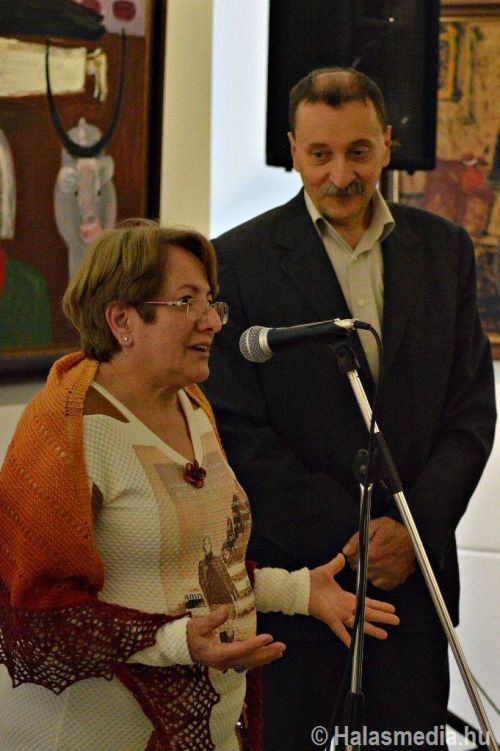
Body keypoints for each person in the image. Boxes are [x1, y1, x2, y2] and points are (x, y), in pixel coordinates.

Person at [0, 219, 399, 751]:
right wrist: (176, 641)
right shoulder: (66, 430)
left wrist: (297, 590)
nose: (211, 321)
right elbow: (36, 616)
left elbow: (196, 565)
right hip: (92, 732)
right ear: (122, 319)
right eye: (186, 302)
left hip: (211, 725)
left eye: (211, 302)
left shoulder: (192, 406)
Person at [203, 68, 497, 750]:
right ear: (292, 150)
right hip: (303, 591)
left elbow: (470, 415)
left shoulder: (444, 250)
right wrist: (356, 535)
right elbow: (238, 430)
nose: (341, 175)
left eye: (359, 152)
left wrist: (411, 532)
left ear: (388, 144)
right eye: (320, 154)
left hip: (414, 593)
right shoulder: (237, 261)